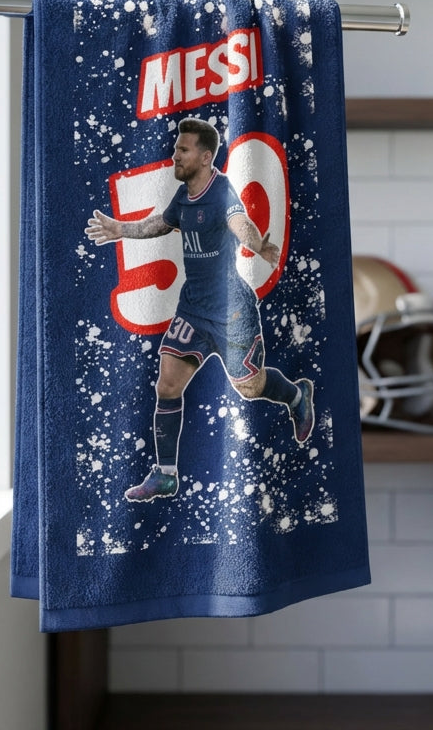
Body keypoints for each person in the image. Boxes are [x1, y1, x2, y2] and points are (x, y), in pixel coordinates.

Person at [84, 117, 315, 503]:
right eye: (176, 148)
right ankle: (166, 475)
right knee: (167, 385)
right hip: (192, 308)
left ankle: (296, 395)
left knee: (250, 388)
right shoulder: (184, 194)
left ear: (205, 157)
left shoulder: (221, 190)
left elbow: (239, 222)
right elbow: (162, 223)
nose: (175, 154)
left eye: (183, 149)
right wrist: (121, 229)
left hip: (232, 313)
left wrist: (257, 245)